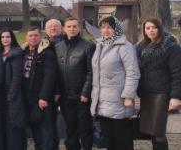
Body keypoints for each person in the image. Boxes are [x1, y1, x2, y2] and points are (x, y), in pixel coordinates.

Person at [91, 16, 140, 150]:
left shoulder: (125, 46)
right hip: (102, 101)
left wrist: (129, 96)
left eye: (109, 27)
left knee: (122, 139)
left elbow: (133, 72)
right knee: (109, 139)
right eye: (103, 27)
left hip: (119, 100)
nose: (106, 30)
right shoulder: (100, 45)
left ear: (116, 29)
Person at [136, 18, 181, 150]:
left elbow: (177, 73)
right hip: (146, 94)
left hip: (162, 94)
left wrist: (176, 97)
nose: (151, 31)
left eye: (154, 27)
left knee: (158, 131)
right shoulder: (141, 47)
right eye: (148, 28)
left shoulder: (171, 47)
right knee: (150, 130)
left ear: (160, 28)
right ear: (144, 31)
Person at [54, 18, 94, 150]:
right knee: (70, 128)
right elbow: (56, 73)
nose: (72, 29)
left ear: (79, 28)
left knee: (85, 128)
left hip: (81, 96)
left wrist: (85, 92)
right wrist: (58, 91)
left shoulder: (88, 46)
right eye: (69, 26)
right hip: (65, 97)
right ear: (64, 28)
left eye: (75, 26)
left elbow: (91, 71)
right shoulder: (58, 47)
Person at [23, 26, 57, 150]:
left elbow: (50, 77)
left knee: (45, 130)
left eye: (36, 35)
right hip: (28, 97)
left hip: (41, 98)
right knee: (35, 128)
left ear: (40, 36)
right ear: (26, 37)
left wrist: (43, 97)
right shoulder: (24, 52)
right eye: (30, 35)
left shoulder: (46, 53)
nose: (33, 38)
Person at [0, 29, 27, 150]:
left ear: (12, 38)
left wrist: (11, 94)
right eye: (3, 37)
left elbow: (17, 76)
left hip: (12, 96)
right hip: (1, 94)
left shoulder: (16, 53)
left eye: (8, 37)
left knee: (14, 125)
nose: (5, 39)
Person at [44, 18, 63, 150]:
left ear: (61, 29)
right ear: (46, 30)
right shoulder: (42, 45)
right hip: (51, 90)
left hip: (68, 88)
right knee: (50, 123)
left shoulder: (66, 42)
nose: (53, 28)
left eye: (56, 26)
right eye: (50, 26)